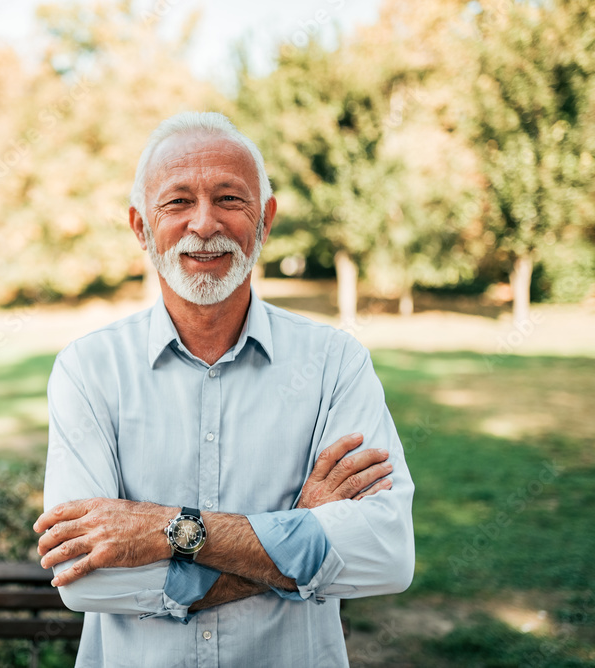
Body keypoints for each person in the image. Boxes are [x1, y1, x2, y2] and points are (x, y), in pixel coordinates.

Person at [33, 111, 414, 667]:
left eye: (230, 199)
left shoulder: (336, 363)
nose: (205, 224)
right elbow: (85, 582)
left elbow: (384, 555)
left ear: (265, 220)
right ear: (141, 226)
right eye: (178, 201)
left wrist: (167, 532)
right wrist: (298, 533)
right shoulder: (88, 370)